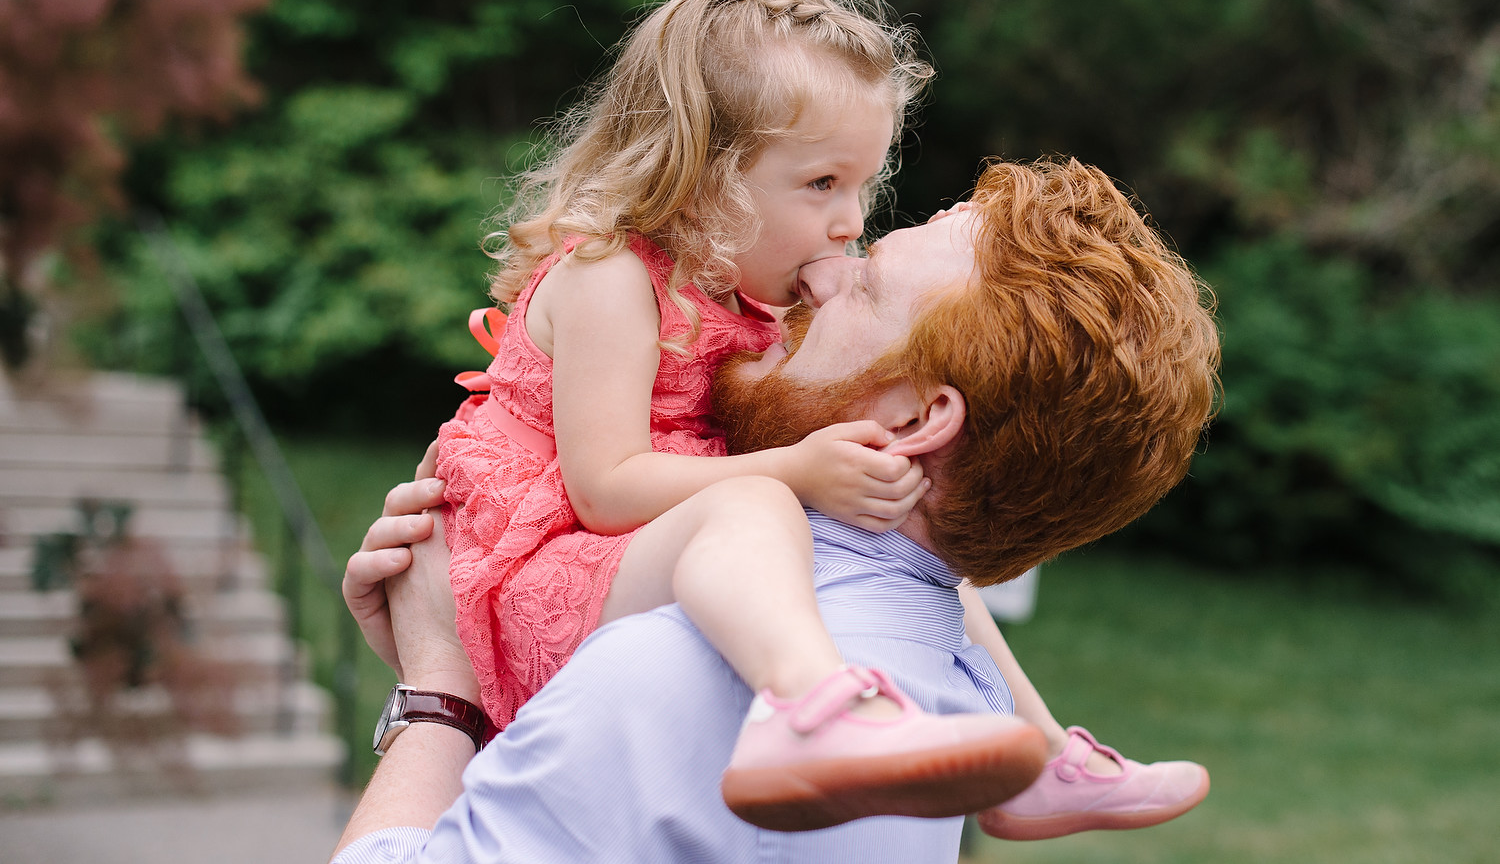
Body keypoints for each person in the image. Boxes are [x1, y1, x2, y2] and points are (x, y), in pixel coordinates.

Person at [333, 158, 1222, 864]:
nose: (825, 271)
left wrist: (439, 691)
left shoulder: (679, 669)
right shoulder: (943, 681)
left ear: (913, 421)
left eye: (868, 285)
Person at [432, 0, 1040, 831]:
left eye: (862, 185)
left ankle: (1040, 758)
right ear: (701, 171)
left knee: (915, 544)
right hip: (541, 570)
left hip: (632, 554)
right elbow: (606, 490)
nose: (850, 221)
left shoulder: (736, 293)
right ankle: (811, 713)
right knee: (757, 509)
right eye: (822, 183)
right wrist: (793, 470)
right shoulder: (613, 278)